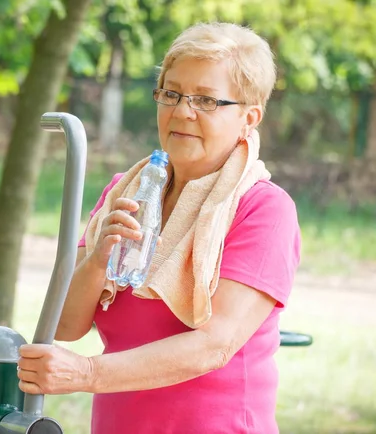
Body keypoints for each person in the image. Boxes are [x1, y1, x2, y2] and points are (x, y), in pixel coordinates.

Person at [17, 22, 301, 434]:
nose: (182, 111)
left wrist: (87, 373)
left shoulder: (264, 209)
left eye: (206, 99)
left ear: (248, 117)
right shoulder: (124, 192)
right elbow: (65, 326)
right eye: (171, 93)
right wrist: (98, 262)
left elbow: (214, 346)